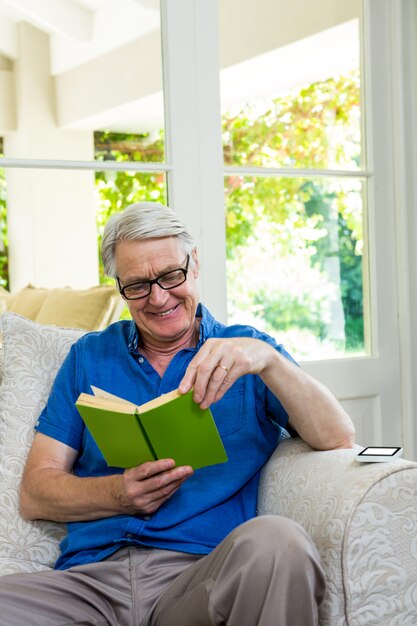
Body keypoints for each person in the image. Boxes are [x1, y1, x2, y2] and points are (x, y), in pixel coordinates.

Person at [0, 202, 355, 625]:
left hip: (196, 579)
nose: (159, 298)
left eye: (171, 275)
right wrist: (118, 494)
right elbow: (36, 491)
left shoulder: (245, 352)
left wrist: (270, 361)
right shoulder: (88, 357)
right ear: (119, 286)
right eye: (137, 285)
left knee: (279, 541)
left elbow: (337, 437)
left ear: (195, 263)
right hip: (89, 584)